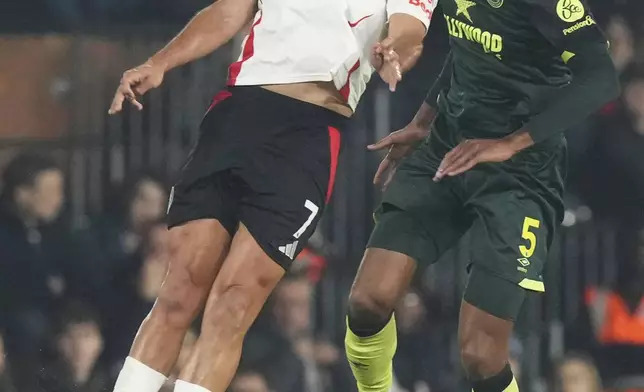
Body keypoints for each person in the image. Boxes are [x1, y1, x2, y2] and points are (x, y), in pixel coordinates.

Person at [107, 0, 436, 391]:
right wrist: (160, 62)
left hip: (308, 136)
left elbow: (410, 29)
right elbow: (231, 9)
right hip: (237, 115)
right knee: (179, 289)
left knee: (233, 305)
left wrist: (393, 47)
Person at [344, 0, 620, 391]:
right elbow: (466, 50)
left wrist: (511, 143)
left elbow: (601, 77)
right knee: (367, 302)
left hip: (522, 175)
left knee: (480, 356)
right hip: (448, 148)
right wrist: (424, 120)